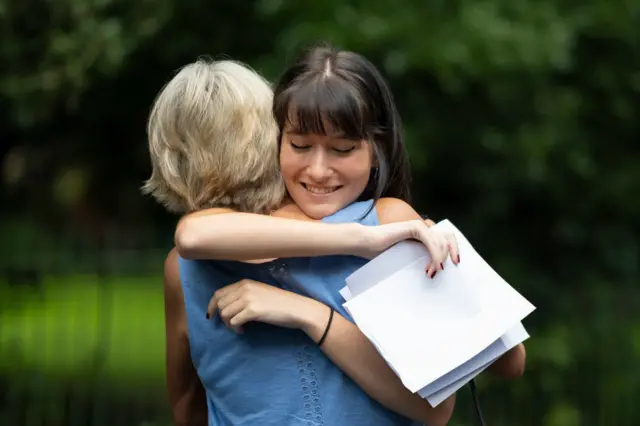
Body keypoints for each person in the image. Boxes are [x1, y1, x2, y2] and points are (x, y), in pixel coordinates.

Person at [145, 46, 525, 426]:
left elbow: (492, 370)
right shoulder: (188, 259)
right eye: (299, 145)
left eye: (342, 148)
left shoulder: (389, 223)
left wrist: (309, 313)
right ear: (271, 137)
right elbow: (193, 234)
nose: (319, 169)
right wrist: (361, 239)